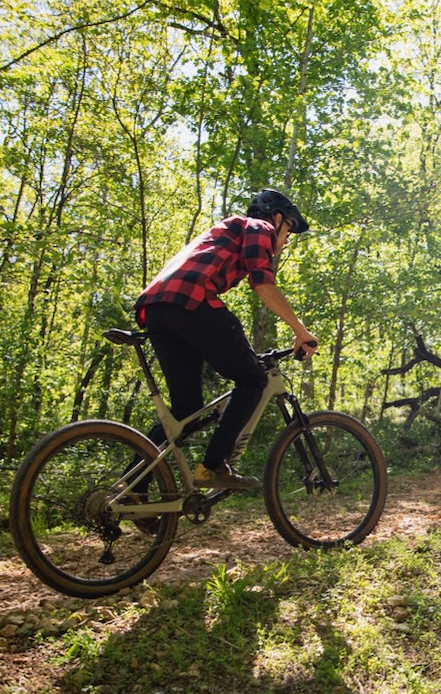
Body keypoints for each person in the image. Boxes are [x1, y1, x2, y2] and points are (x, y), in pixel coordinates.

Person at [134, 188, 318, 490]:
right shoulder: (259, 227)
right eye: (288, 230)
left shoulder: (226, 233)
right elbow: (262, 283)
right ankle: (213, 466)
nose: (285, 240)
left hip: (156, 309)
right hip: (190, 301)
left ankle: (132, 491)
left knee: (186, 410)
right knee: (254, 380)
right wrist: (301, 331)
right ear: (276, 217)